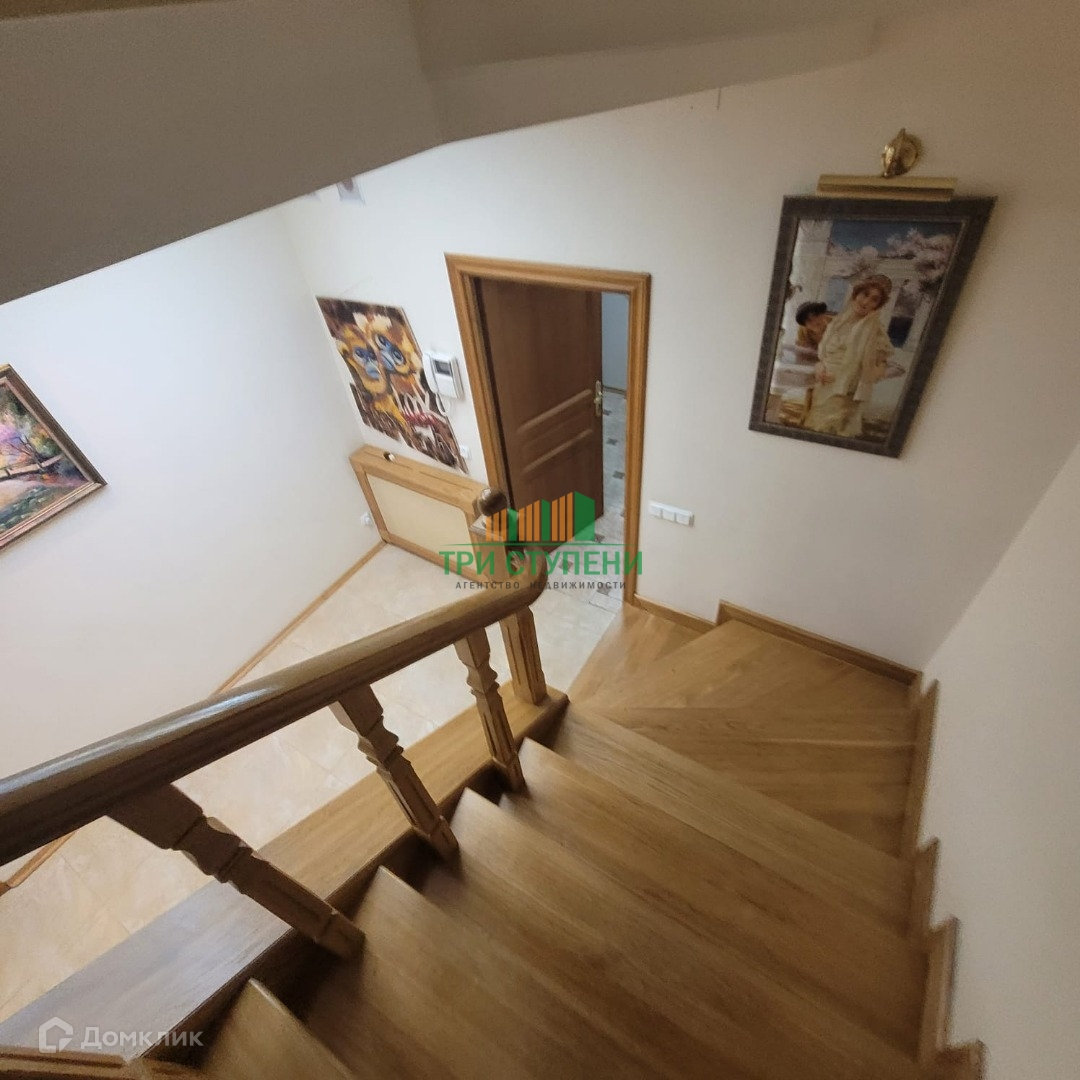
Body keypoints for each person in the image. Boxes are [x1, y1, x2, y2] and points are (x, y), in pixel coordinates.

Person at [803, 275, 894, 438]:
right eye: (865, 294)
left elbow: (880, 366)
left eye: (874, 300)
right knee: (813, 429)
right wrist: (820, 367)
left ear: (877, 306)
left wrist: (854, 378)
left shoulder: (876, 332)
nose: (866, 302)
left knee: (830, 432)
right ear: (856, 294)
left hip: (844, 392)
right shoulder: (837, 322)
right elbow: (823, 355)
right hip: (823, 386)